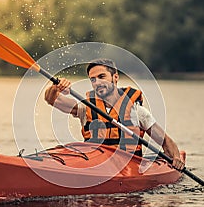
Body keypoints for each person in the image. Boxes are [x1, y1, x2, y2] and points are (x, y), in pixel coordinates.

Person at [44, 59, 185, 170]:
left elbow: (165, 141)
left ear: (115, 77)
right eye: (93, 79)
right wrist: (56, 87)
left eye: (102, 76)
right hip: (94, 164)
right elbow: (51, 99)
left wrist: (176, 158)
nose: (97, 82)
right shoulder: (85, 108)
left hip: (129, 167)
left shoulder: (138, 112)